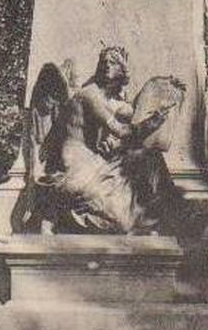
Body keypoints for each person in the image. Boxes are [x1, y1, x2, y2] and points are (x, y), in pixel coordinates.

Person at [38, 46, 177, 234]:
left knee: (146, 162)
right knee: (148, 161)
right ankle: (155, 220)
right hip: (79, 169)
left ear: (122, 69)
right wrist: (153, 122)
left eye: (112, 62)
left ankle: (148, 220)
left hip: (89, 162)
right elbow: (122, 132)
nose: (106, 65)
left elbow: (115, 124)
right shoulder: (90, 95)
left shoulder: (101, 97)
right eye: (103, 61)